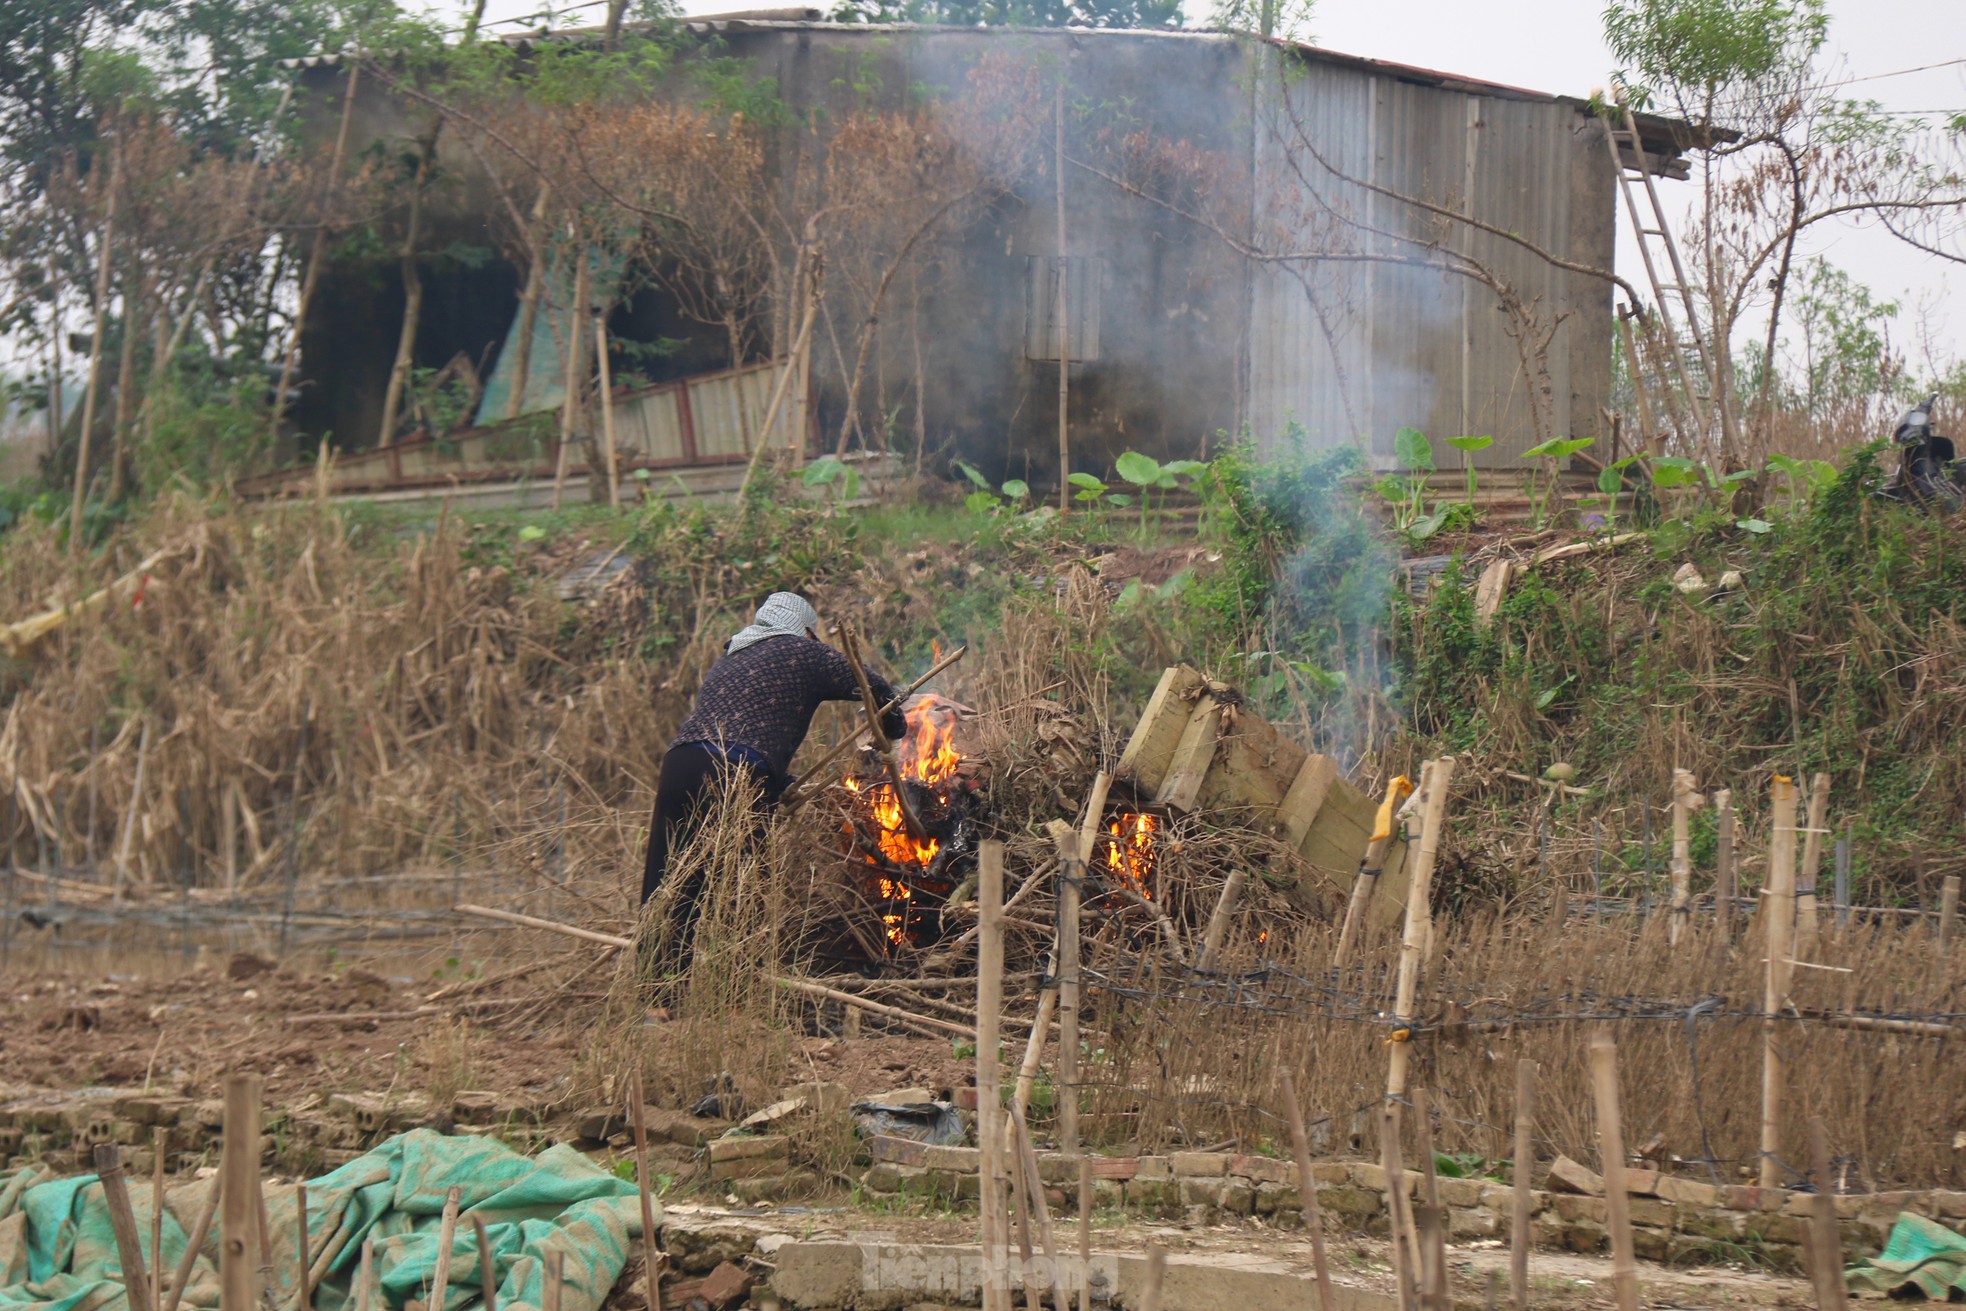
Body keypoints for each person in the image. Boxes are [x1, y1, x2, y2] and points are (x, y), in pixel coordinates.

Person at [638, 592, 906, 988]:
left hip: (681, 764)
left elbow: (740, 724)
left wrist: (780, 782)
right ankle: (735, 990)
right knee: (742, 886)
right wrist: (895, 726)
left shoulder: (731, 657)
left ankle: (656, 996)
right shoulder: (804, 652)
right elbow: (871, 684)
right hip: (736, 772)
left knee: (670, 881)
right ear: (805, 630)